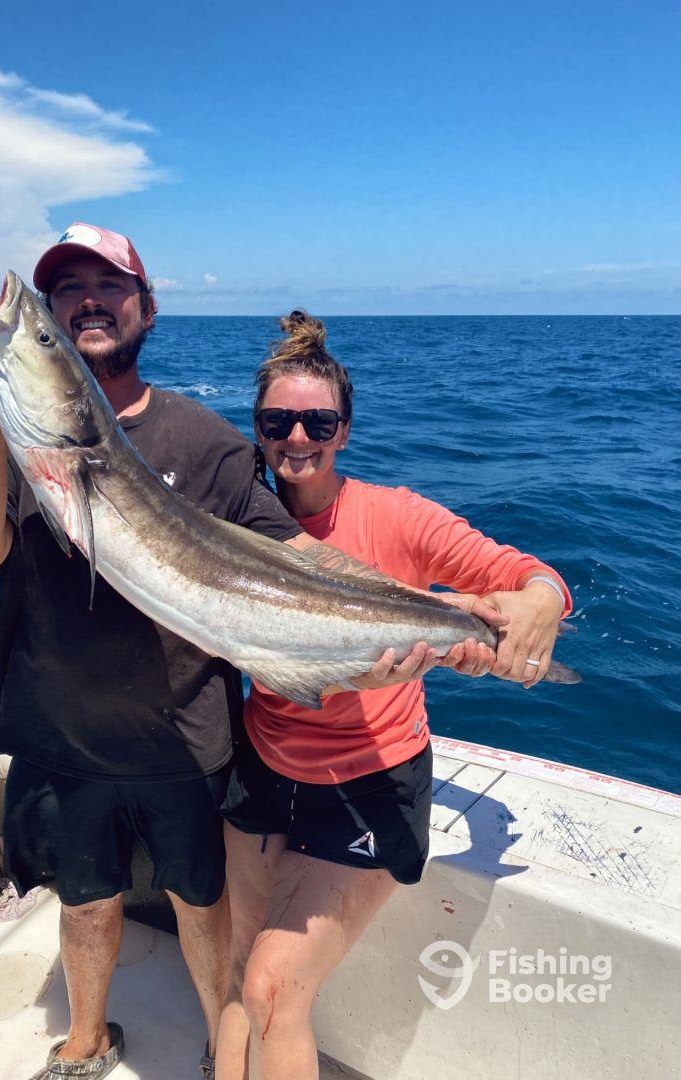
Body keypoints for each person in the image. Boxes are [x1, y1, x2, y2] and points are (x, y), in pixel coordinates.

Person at [0, 228, 505, 1080]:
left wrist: (419, 621)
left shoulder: (209, 442)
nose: (86, 299)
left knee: (203, 908)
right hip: (58, 732)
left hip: (185, 741)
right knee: (84, 905)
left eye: (109, 285)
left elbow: (292, 559)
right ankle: (85, 1045)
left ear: (146, 307)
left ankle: (215, 1053)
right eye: (63, 295)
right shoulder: (10, 436)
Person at [215, 311, 571, 1080]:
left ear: (345, 430)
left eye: (319, 420)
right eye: (279, 420)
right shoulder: (237, 519)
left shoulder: (397, 514)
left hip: (369, 784)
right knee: (238, 963)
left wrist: (543, 597)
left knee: (274, 988)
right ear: (257, 428)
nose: (298, 437)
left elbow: (515, 572)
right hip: (263, 765)